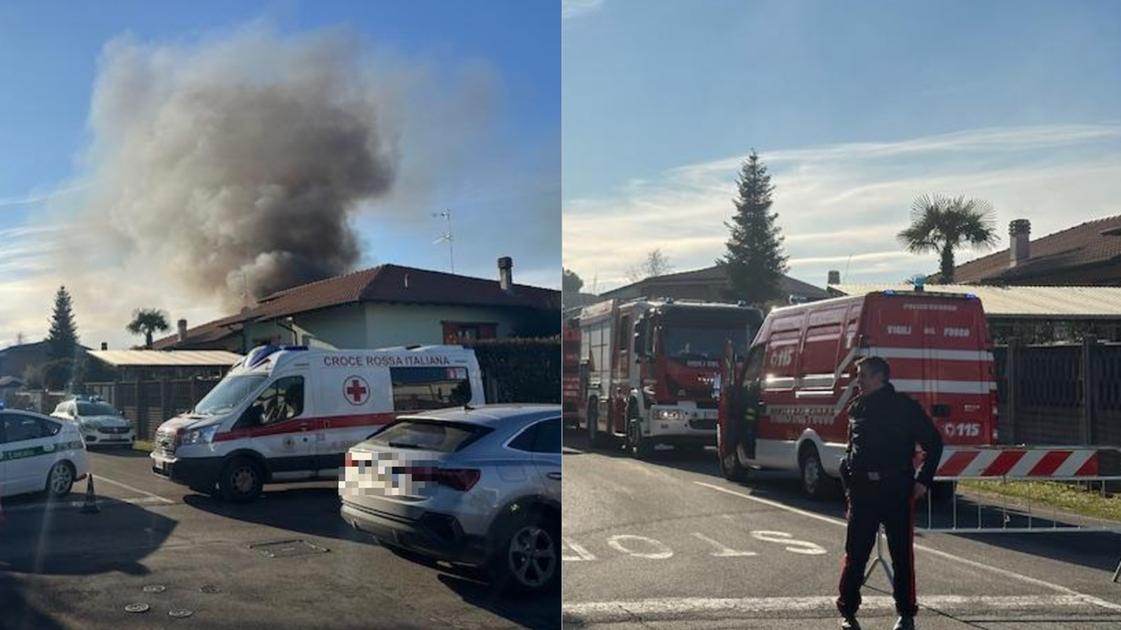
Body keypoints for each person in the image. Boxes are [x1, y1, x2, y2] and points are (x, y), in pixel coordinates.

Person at [836, 356, 943, 630]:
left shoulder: (904, 408)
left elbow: (934, 442)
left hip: (895, 489)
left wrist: (924, 481)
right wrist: (849, 478)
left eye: (863, 376)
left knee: (901, 554)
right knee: (856, 553)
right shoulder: (857, 408)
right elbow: (851, 448)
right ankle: (848, 612)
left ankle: (906, 615)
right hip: (862, 492)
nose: (858, 382)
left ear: (879, 377)